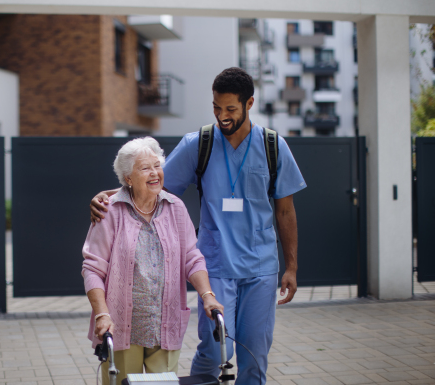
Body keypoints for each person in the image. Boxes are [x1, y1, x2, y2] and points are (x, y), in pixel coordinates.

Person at [90, 68, 306, 385]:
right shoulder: (199, 144)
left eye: (231, 109)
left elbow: (285, 212)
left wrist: (291, 267)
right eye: (217, 108)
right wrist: (107, 196)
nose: (222, 116)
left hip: (261, 267)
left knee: (256, 354)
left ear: (250, 104)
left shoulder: (274, 147)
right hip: (216, 263)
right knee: (218, 347)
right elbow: (153, 184)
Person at [82, 137, 224, 385]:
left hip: (165, 324)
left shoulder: (175, 208)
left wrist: (207, 294)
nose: (155, 173)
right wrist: (102, 314)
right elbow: (93, 268)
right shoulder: (109, 211)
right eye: (145, 168)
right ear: (128, 178)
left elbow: (192, 256)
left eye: (157, 165)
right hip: (121, 325)